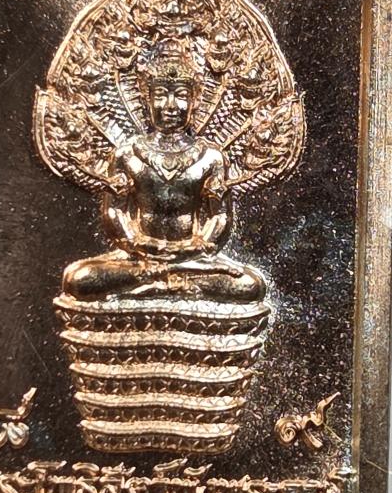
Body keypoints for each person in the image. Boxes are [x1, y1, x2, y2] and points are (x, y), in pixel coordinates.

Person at [63, 41, 266, 304]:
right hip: (139, 258)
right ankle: (169, 283)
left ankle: (160, 282)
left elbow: (220, 216)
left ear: (194, 100)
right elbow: (115, 211)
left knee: (249, 285)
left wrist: (198, 246)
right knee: (80, 278)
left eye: (180, 95)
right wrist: (135, 243)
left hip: (192, 258)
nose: (170, 105)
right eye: (160, 95)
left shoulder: (211, 157)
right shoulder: (126, 154)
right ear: (146, 100)